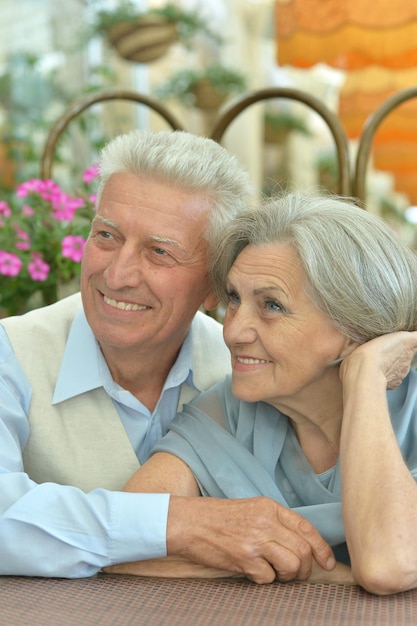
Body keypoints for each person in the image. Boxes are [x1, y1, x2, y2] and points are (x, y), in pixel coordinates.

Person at [0, 131, 335, 580]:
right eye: (106, 236)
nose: (117, 275)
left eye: (159, 252)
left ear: (216, 287)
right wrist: (178, 524)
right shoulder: (11, 352)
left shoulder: (255, 372)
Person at [106, 192, 417, 595]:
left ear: (351, 331)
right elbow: (120, 539)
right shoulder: (230, 412)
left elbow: (387, 566)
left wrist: (365, 379)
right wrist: (326, 573)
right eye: (235, 299)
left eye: (272, 305)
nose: (232, 332)